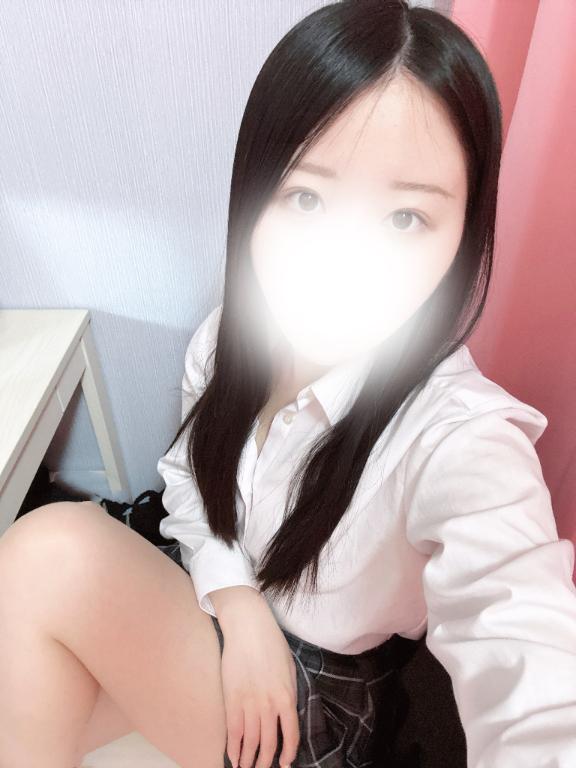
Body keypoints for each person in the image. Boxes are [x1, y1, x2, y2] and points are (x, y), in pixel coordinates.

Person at [1, 1, 575, 767]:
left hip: (320, 706)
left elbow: (529, 659)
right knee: (37, 676)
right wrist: (238, 608)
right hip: (225, 613)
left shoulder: (459, 436)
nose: (344, 261)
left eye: (405, 218)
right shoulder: (226, 340)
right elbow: (190, 479)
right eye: (306, 198)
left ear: (462, 236)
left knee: (49, 553)